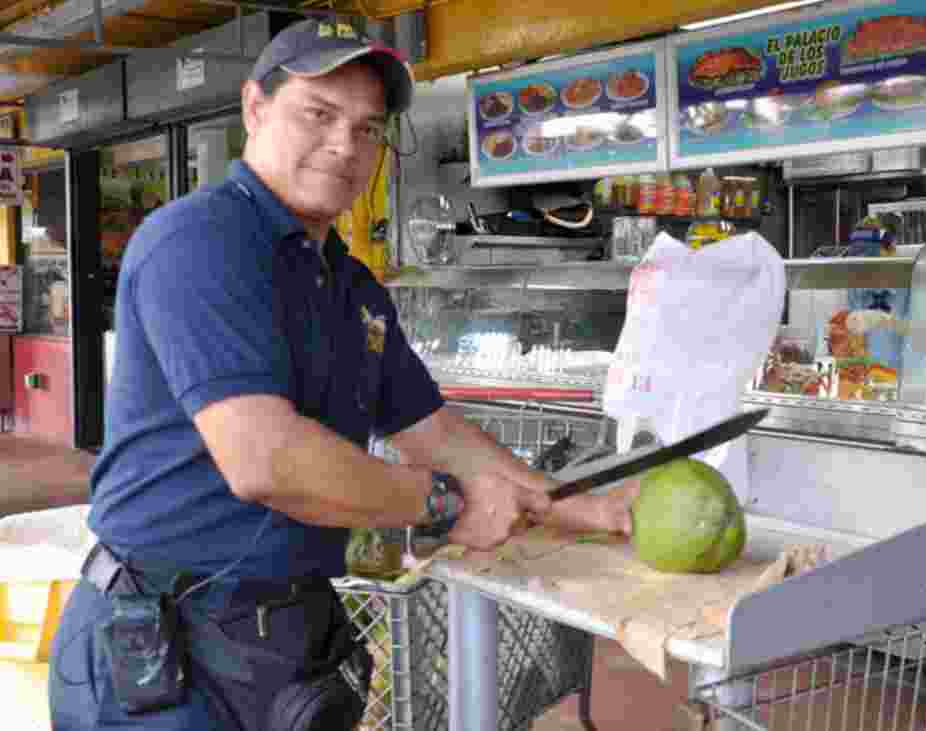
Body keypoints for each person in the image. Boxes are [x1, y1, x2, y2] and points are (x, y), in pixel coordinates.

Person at [50, 18, 638, 731]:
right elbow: (264, 458)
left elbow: (436, 430)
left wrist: (579, 505)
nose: (344, 146)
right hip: (164, 646)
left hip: (282, 637)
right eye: (318, 114)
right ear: (254, 109)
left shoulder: (351, 287)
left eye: (368, 128)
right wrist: (445, 506)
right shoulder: (201, 242)